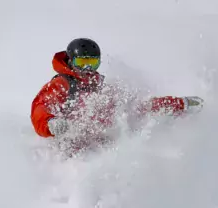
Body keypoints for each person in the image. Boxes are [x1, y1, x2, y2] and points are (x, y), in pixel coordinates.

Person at [31, 38, 204, 144]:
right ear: (71, 61)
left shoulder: (100, 87)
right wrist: (50, 123)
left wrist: (179, 103)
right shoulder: (63, 84)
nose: (87, 69)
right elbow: (40, 106)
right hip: (71, 149)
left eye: (92, 64)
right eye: (82, 63)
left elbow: (136, 108)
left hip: (100, 144)